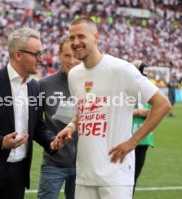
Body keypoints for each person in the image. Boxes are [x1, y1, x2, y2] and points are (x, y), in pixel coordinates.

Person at [56, 17, 172, 199]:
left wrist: (133, 142)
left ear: (96, 37)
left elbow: (162, 104)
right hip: (85, 175)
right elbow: (82, 110)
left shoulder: (121, 69)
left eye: (81, 36)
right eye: (71, 38)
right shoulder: (74, 75)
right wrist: (71, 126)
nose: (75, 42)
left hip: (115, 176)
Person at [0, 27, 64, 199]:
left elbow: (37, 125)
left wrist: (51, 141)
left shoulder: (35, 87)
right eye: (36, 54)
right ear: (18, 54)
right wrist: (1, 142)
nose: (41, 59)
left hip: (18, 175)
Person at [37, 36, 80, 199]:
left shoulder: (91, 85)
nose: (72, 61)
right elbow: (36, 124)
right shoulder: (44, 85)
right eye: (67, 55)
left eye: (76, 55)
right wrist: (50, 142)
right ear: (59, 55)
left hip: (84, 165)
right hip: (53, 163)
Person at [131, 60, 154, 193]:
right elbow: (114, 110)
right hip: (126, 137)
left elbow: (157, 109)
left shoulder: (148, 90)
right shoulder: (123, 90)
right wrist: (137, 112)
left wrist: (149, 113)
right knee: (123, 179)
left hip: (144, 139)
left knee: (133, 179)